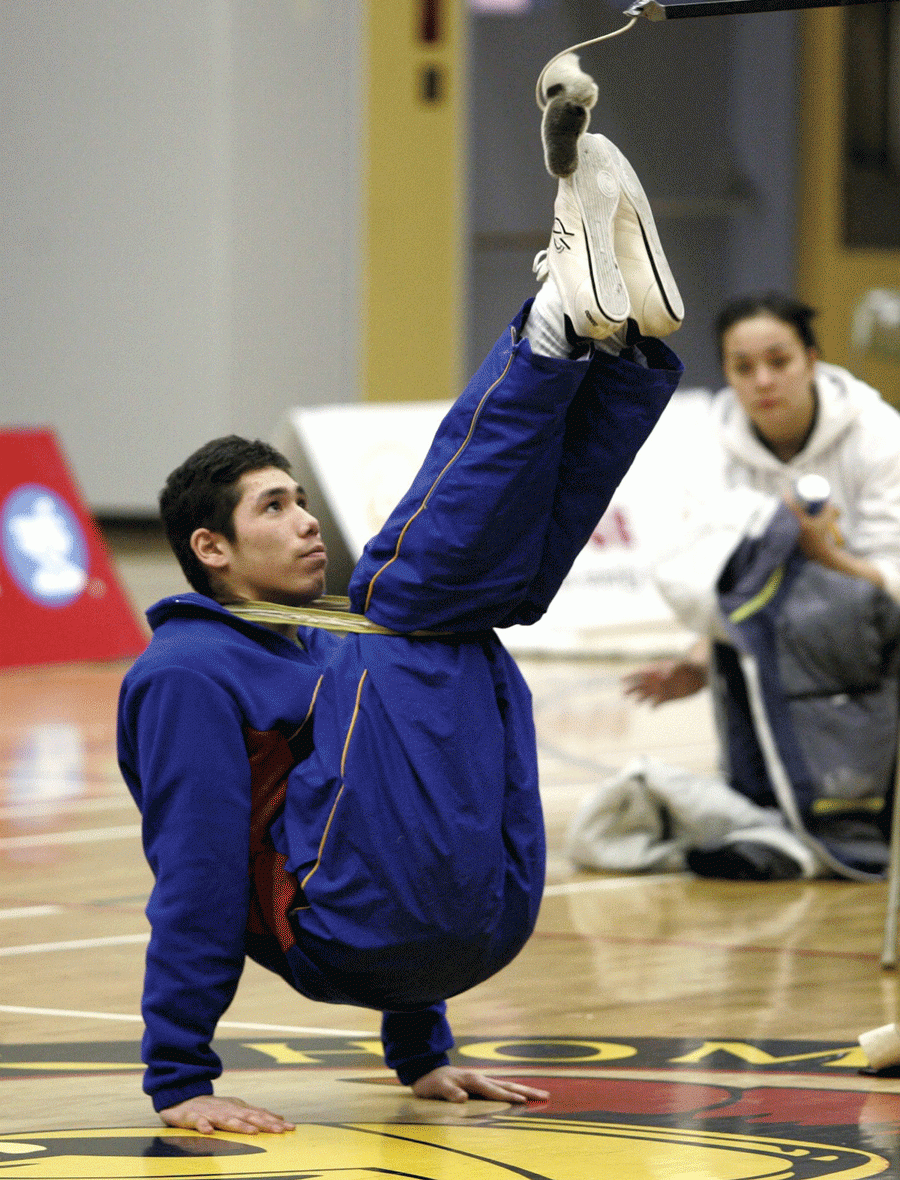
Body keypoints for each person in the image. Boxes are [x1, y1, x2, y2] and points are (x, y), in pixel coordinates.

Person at [116, 88, 684, 1134]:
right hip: (345, 934)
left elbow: (373, 802)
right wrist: (180, 1077)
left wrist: (423, 1049)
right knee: (410, 603)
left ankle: (614, 351)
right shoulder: (186, 672)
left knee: (480, 606)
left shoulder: (342, 651)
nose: (306, 522)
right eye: (273, 508)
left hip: (468, 922)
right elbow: (195, 868)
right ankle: (558, 319)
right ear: (211, 548)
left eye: (300, 498)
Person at [623, 291, 900, 878]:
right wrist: (698, 658)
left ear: (813, 360)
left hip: (874, 639)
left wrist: (823, 555)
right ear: (725, 373)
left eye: (779, 361)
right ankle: (772, 816)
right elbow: (720, 582)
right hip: (765, 642)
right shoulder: (709, 450)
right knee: (760, 805)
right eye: (742, 368)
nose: (763, 381)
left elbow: (895, 580)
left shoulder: (879, 435)